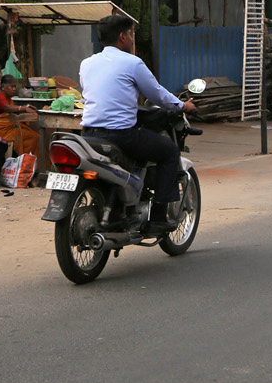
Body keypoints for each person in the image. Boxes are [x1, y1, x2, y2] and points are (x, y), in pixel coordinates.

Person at [79, 14, 196, 234]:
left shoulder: (86, 64)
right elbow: (157, 94)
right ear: (122, 36)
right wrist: (182, 106)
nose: (133, 38)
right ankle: (159, 218)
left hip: (89, 135)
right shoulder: (132, 63)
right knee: (169, 151)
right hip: (121, 136)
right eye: (132, 34)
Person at [0, 74, 40, 159]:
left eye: (15, 86)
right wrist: (23, 108)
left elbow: (12, 112)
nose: (14, 89)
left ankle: (29, 164)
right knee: (33, 137)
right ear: (3, 86)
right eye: (11, 86)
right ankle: (22, 163)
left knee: (34, 137)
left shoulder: (8, 98)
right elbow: (7, 108)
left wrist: (26, 108)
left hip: (9, 129)